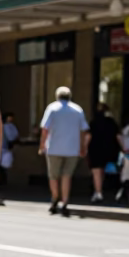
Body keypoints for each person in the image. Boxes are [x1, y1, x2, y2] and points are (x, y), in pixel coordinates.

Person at [38, 86, 90, 217]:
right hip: (72, 149)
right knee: (67, 176)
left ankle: (55, 198)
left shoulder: (52, 108)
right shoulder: (78, 110)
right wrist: (83, 147)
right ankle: (65, 202)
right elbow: (83, 130)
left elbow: (45, 128)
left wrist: (42, 145)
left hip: (54, 148)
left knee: (53, 176)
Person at [87, 103, 120, 202]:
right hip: (109, 148)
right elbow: (117, 136)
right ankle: (100, 188)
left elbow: (89, 136)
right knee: (102, 171)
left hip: (95, 148)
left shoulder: (93, 122)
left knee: (96, 171)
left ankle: (98, 192)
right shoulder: (112, 122)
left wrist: (83, 148)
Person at [0, 112, 18, 191]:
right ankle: (2, 180)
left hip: (4, 147)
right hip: (3, 147)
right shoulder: (6, 126)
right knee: (1, 166)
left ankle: (2, 180)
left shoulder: (9, 126)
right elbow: (11, 137)